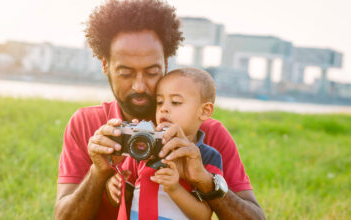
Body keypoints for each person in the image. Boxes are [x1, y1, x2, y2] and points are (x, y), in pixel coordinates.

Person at [55, 0, 265, 219]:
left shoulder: (207, 133)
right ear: (105, 65)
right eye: (125, 73)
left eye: (152, 71)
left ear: (166, 62)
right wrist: (98, 173)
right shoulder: (86, 124)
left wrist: (204, 180)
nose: (139, 86)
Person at [107, 68, 224, 220]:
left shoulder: (208, 157)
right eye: (159, 102)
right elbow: (120, 199)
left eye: (175, 102)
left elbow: (204, 215)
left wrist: (175, 189)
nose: (164, 109)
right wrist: (114, 187)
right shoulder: (143, 145)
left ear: (204, 111)